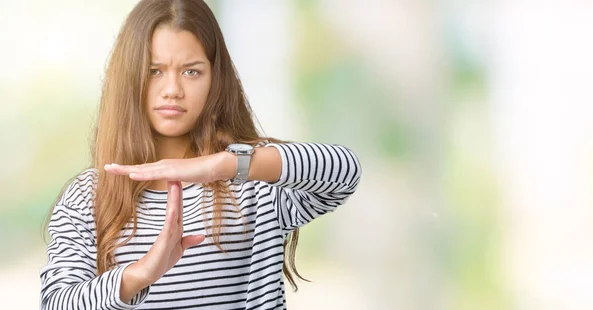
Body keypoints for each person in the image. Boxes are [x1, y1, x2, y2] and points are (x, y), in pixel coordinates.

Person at [39, 0, 361, 309]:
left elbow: (345, 172)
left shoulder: (253, 184)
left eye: (191, 72)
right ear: (129, 77)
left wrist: (225, 165)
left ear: (215, 79)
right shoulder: (88, 198)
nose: (172, 89)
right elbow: (55, 304)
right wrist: (141, 273)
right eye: (155, 71)